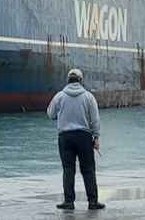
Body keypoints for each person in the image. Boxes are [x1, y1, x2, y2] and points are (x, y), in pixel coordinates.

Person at [46, 68, 105, 211]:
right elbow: (94, 120)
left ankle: (69, 202)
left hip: (65, 136)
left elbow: (51, 114)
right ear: (81, 81)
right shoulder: (88, 97)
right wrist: (96, 137)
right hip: (84, 136)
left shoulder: (59, 96)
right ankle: (92, 201)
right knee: (88, 169)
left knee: (68, 169)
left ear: (67, 81)